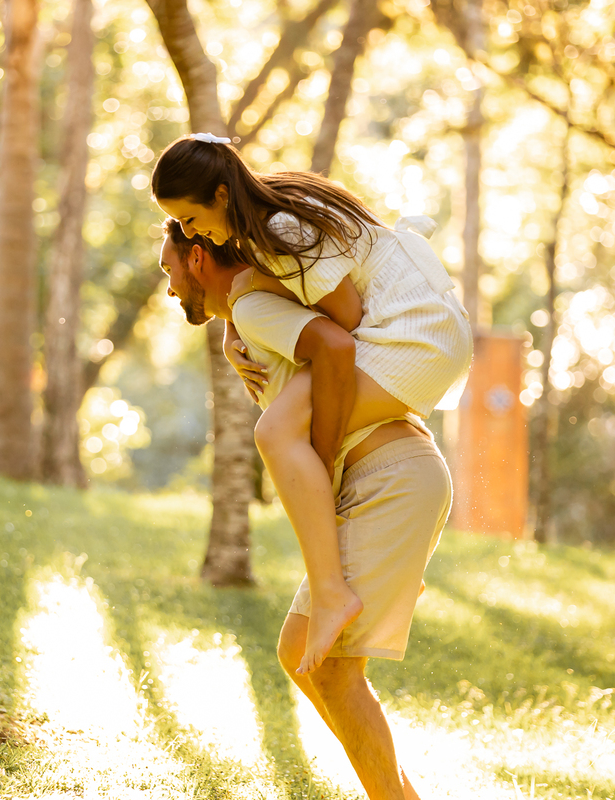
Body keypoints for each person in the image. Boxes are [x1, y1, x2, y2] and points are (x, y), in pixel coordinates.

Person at [152, 133, 472, 674]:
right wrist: (237, 318)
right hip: (421, 331)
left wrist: (244, 300)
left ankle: (331, 593)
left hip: (413, 338)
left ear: (222, 195)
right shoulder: (271, 209)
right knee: (291, 437)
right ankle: (384, 573)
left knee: (278, 434)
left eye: (190, 217)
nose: (190, 232)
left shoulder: (279, 228)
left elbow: (344, 321)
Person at [159, 219, 451, 799]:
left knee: (334, 671)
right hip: (385, 477)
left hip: (388, 479)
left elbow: (332, 338)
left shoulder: (255, 307)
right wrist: (230, 325)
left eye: (169, 270)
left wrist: (237, 317)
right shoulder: (259, 302)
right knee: (300, 653)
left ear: (197, 259)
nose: (169, 289)